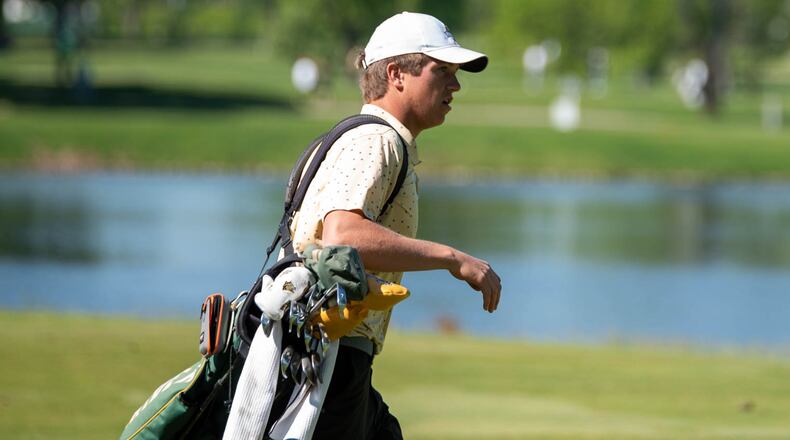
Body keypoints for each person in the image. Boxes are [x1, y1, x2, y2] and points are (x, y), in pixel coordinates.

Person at [288, 11, 502, 439]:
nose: (456, 85)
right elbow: (342, 235)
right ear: (396, 74)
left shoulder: (366, 137)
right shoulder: (378, 140)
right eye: (441, 71)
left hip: (328, 356)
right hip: (330, 360)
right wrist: (452, 258)